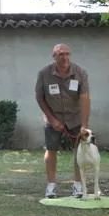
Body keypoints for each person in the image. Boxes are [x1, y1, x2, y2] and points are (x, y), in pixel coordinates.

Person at [35, 43, 90, 198]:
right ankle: (51, 185)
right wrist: (52, 119)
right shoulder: (44, 74)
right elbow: (40, 98)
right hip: (53, 118)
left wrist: (84, 125)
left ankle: (78, 185)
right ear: (54, 57)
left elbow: (85, 99)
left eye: (67, 54)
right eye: (61, 54)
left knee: (79, 152)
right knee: (51, 150)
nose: (65, 57)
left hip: (75, 118)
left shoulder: (80, 73)